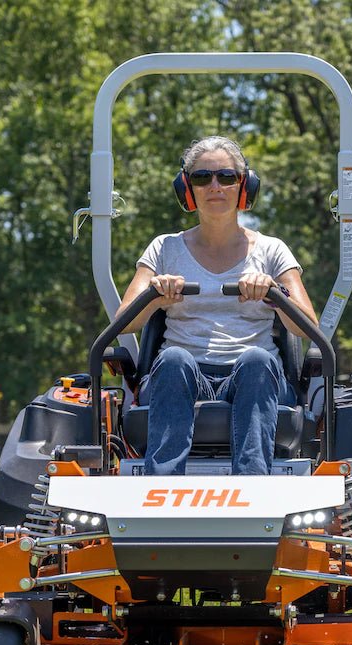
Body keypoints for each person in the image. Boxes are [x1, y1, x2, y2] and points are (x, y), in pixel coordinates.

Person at [115, 135, 319, 475]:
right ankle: (161, 489)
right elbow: (124, 321)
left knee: (256, 359)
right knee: (174, 358)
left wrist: (274, 293)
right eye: (202, 177)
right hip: (180, 373)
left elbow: (307, 324)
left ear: (244, 186)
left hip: (254, 376)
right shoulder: (164, 248)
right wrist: (155, 295)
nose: (215, 186)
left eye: (226, 177)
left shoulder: (272, 250)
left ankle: (252, 489)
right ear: (187, 189)